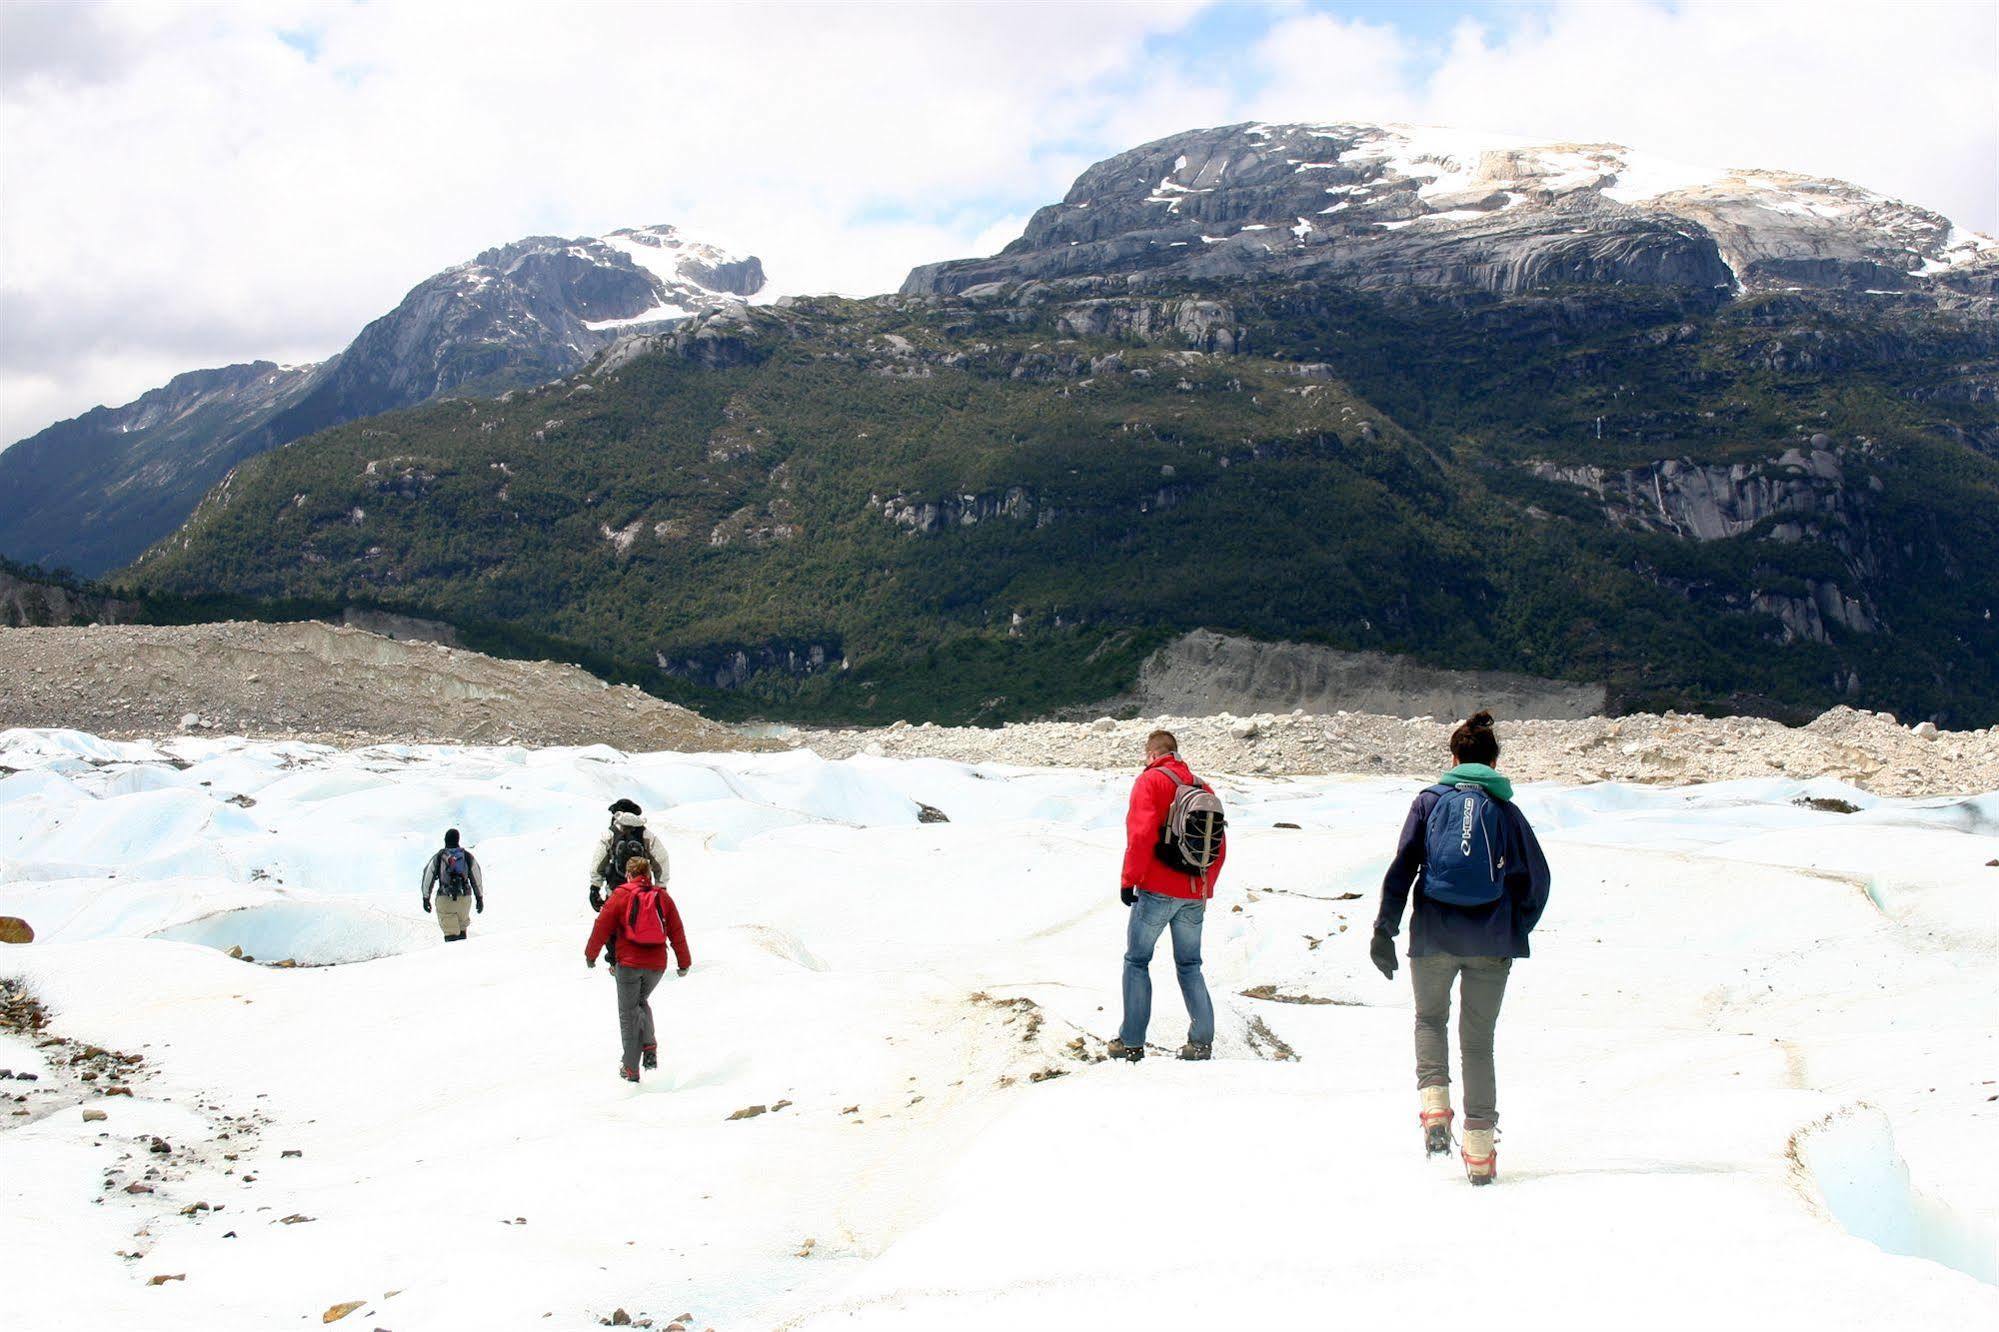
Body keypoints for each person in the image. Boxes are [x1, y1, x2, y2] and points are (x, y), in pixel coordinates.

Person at [1370, 710, 1550, 1185]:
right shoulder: (1507, 812)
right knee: (1478, 1043)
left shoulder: (1428, 802)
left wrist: (1384, 930)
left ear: (1453, 758)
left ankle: (1433, 1110)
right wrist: (1516, 926)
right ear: (1494, 761)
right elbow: (1538, 880)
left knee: (1430, 1020)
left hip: (1432, 935)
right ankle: (1479, 1151)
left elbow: (1403, 866)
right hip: (1491, 940)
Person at [1109, 729, 1227, 1063]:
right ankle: (1201, 1044)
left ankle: (1131, 1042)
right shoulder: (1203, 787)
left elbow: (1142, 835)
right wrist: (1204, 887)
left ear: (1151, 754)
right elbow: (1219, 846)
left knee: (1137, 961)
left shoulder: (1149, 782)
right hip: (1194, 893)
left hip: (1157, 891)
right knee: (1190, 965)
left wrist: (1128, 880)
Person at [585, 855, 691, 1083]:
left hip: (629, 964)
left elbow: (601, 926)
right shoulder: (662, 897)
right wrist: (684, 962)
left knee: (628, 1013)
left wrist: (590, 955)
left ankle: (631, 1069)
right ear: (649, 876)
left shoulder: (620, 895)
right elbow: (677, 930)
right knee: (640, 1002)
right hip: (656, 965)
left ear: (629, 875)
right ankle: (649, 1046)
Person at [587, 800, 670, 966]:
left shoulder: (611, 834)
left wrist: (595, 887)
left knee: (611, 924)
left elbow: (599, 861)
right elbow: (661, 860)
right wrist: (661, 886)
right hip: (643, 891)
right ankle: (643, 958)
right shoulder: (646, 834)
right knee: (642, 921)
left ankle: (614, 961)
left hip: (615, 890)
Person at [420, 828, 484, 942]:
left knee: (451, 936)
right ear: (458, 839)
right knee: (462, 933)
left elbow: (428, 877)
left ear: (445, 840)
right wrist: (479, 898)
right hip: (464, 900)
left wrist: (426, 898)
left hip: (445, 899)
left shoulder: (439, 857)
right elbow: (477, 877)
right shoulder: (467, 856)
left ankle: (453, 957)